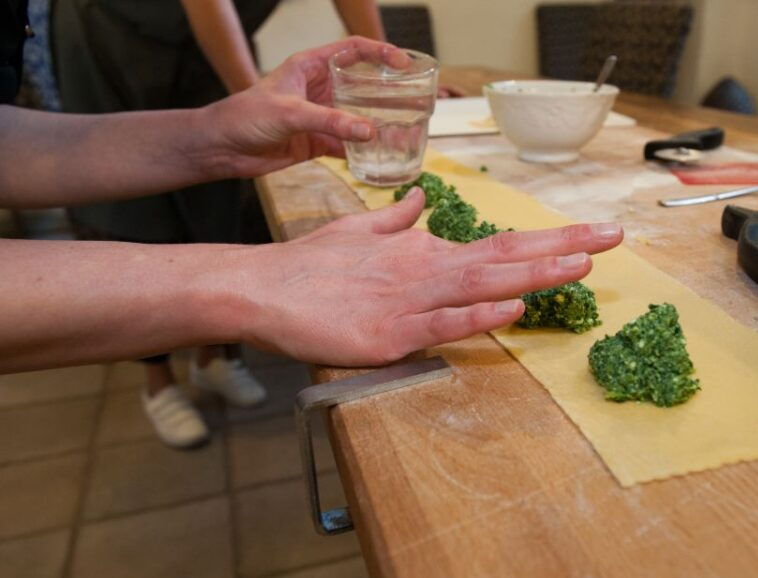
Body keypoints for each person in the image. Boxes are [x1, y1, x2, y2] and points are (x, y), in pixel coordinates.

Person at [1, 23, 624, 422]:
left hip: (176, 85)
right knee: (141, 220)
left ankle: (216, 361)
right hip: (119, 52)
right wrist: (247, 282)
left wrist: (210, 138)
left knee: (212, 205)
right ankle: (164, 381)